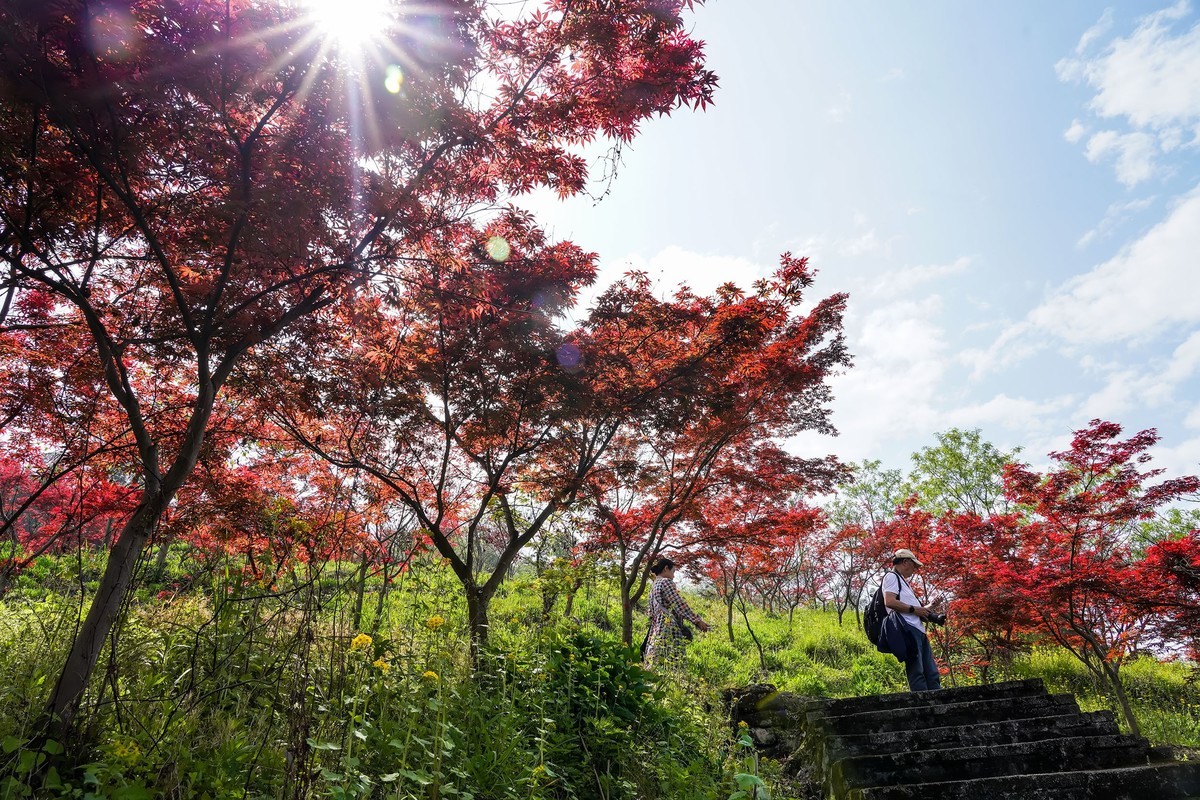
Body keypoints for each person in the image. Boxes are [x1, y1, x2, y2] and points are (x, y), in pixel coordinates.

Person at [882, 549, 944, 691]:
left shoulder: (904, 583)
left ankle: (937, 702)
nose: (915, 569)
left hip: (918, 630)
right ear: (905, 562)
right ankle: (922, 707)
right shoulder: (891, 577)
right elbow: (889, 601)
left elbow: (916, 611)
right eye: (914, 565)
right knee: (917, 671)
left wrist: (930, 606)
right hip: (908, 630)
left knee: (931, 672)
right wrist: (915, 609)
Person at [644, 556, 710, 666]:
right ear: (666, 568)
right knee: (674, 658)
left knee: (657, 656)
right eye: (673, 571)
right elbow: (679, 604)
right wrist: (697, 621)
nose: (674, 575)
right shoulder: (666, 582)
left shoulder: (654, 585)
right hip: (668, 625)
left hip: (656, 626)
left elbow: (650, 611)